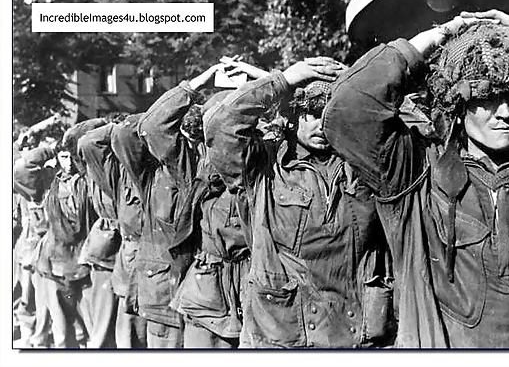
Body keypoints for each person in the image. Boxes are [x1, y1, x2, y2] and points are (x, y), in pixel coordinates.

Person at [323, 10, 509, 348]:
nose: (506, 113)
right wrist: (442, 35)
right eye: (487, 97)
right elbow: (349, 107)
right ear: (458, 102)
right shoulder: (417, 173)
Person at [206, 57, 396, 348]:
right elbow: (222, 125)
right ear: (292, 116)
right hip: (282, 337)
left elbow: (415, 123)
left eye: (330, 112)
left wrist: (357, 82)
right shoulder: (265, 168)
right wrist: (284, 79)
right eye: (311, 113)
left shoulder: (363, 163)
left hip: (352, 335)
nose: (322, 124)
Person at [114, 64, 224, 348]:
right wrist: (193, 87)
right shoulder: (166, 168)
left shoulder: (229, 165)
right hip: (167, 291)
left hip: (214, 297)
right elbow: (134, 132)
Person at [169, 90, 250, 348]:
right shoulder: (195, 168)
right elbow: (153, 125)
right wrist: (192, 86)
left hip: (250, 291)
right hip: (206, 293)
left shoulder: (262, 170)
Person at [31, 120, 106, 348]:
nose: (69, 163)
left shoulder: (90, 182)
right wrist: (47, 150)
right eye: (63, 157)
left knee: (92, 325)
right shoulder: (48, 183)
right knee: (62, 329)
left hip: (84, 261)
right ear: (56, 159)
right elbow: (22, 169)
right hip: (56, 263)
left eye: (72, 156)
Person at [78, 116, 148, 348]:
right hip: (124, 257)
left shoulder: (152, 170)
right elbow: (89, 142)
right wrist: (127, 124)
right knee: (122, 328)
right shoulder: (117, 174)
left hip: (148, 261)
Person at [13, 145, 57, 347]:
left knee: (47, 301)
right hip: (30, 250)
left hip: (52, 251)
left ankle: (41, 340)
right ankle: (29, 336)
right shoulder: (34, 183)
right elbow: (21, 168)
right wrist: (50, 150)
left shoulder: (57, 179)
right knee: (28, 297)